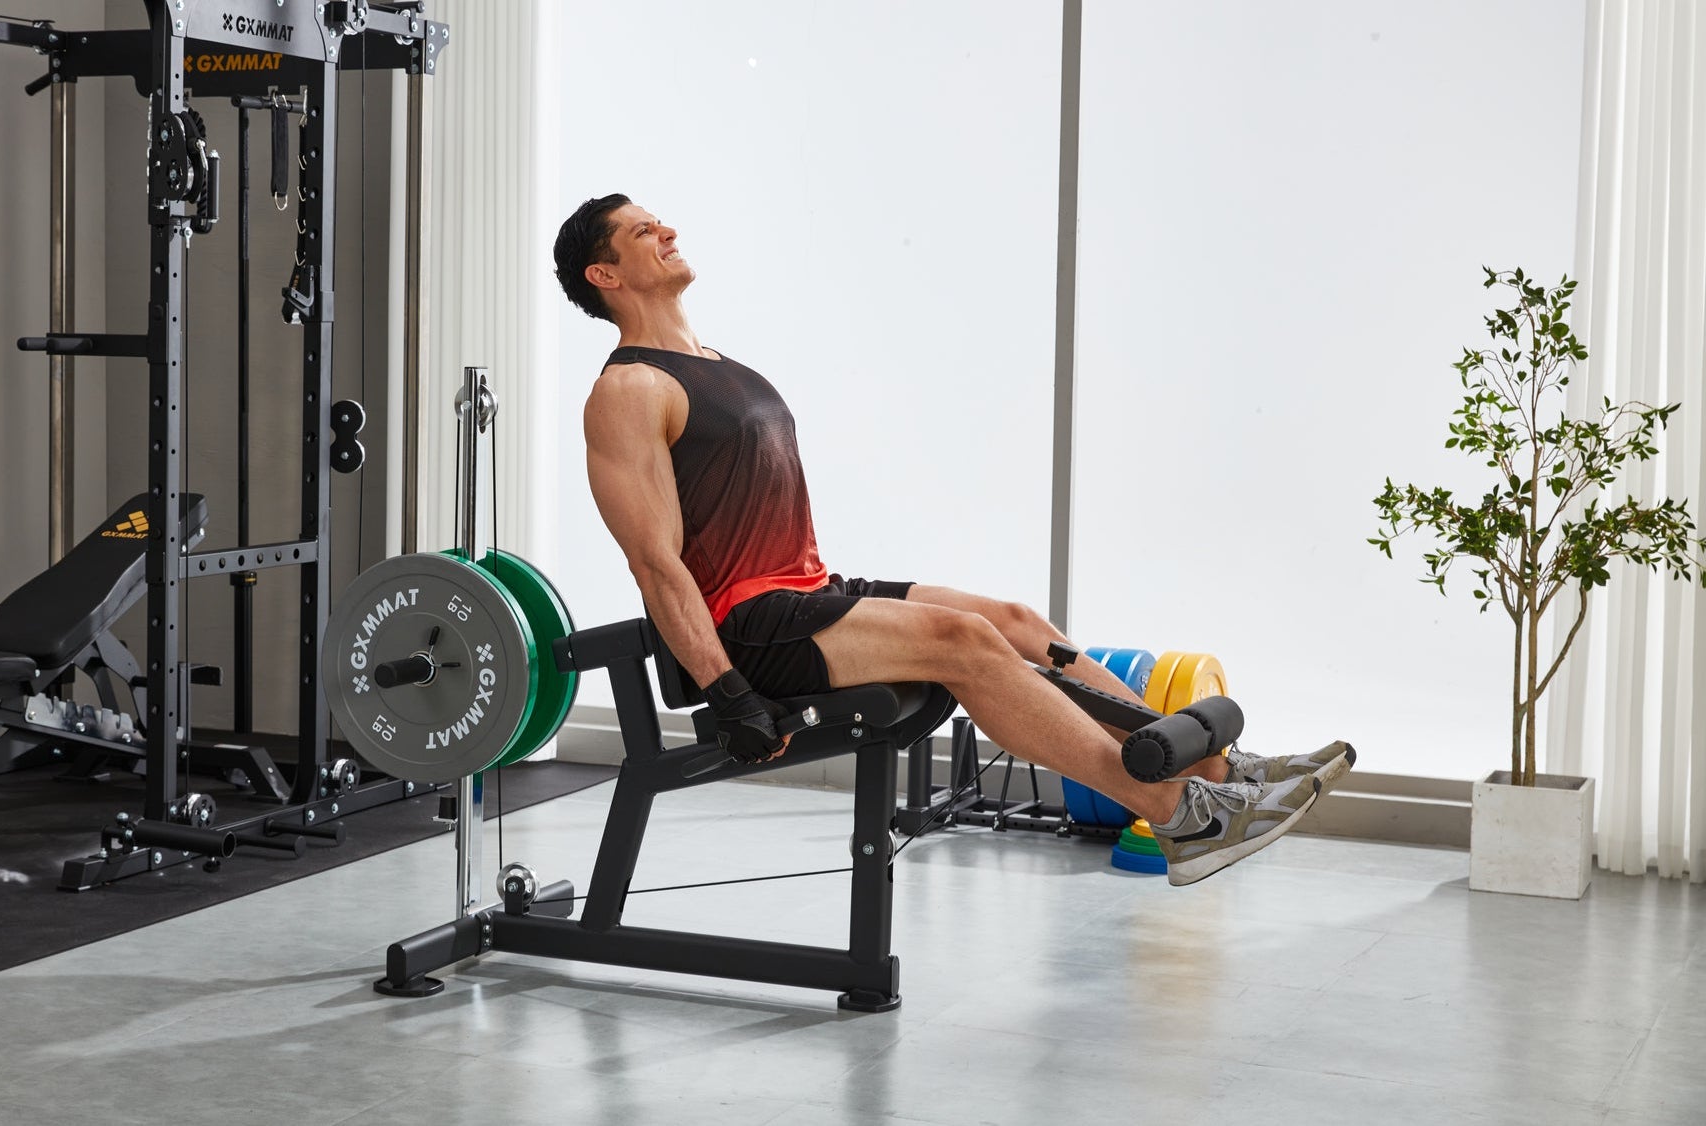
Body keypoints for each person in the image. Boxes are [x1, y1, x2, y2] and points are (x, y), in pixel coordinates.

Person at [552, 193, 1353, 886]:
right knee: (964, 641)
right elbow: (654, 562)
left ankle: (1214, 772)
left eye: (660, 220)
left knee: (1011, 620)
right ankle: (1179, 814)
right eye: (642, 230)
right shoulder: (628, 389)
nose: (666, 231)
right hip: (748, 631)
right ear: (606, 276)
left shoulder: (715, 363)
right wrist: (726, 692)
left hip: (807, 594)